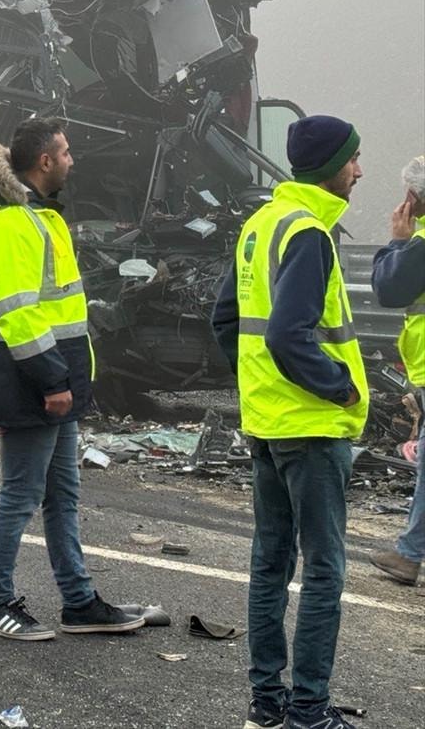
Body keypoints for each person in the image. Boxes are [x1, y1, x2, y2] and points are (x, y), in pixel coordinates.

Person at [0, 118, 143, 643]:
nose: (71, 160)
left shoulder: (38, 216)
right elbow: (17, 312)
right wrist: (52, 380)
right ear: (44, 161)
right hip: (29, 378)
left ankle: (79, 603)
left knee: (62, 493)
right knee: (21, 493)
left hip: (51, 376)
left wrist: (63, 378)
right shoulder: (13, 222)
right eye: (65, 152)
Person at [212, 115, 368, 729]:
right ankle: (308, 709)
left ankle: (267, 705)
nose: (359, 171)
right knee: (324, 570)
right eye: (353, 160)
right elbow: (286, 334)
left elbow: (226, 320)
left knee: (270, 563)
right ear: (330, 167)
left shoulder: (260, 225)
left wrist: (257, 386)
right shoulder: (308, 233)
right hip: (312, 426)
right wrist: (340, 386)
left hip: (268, 423)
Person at [368, 154, 425, 586]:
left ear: (415, 196)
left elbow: (388, 289)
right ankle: (409, 553)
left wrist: (397, 241)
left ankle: (409, 555)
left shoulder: (420, 244)